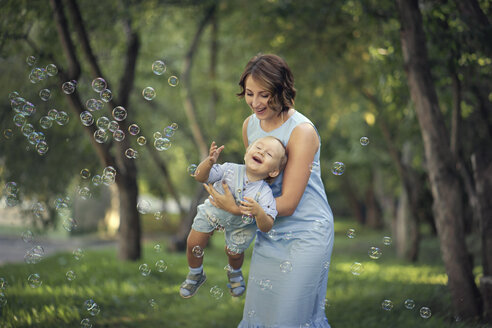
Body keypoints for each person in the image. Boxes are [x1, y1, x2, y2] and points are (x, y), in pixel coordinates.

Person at [203, 54, 335, 327]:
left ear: (282, 91)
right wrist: (222, 205)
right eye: (250, 93)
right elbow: (253, 182)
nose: (256, 103)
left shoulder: (302, 131)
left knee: (291, 319)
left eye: (265, 95)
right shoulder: (249, 125)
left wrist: (235, 209)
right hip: (269, 229)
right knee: (261, 317)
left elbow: (287, 204)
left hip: (306, 233)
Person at [179, 136, 287, 299]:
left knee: (234, 253)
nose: (261, 152)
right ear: (246, 153)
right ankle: (195, 274)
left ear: (273, 171)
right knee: (193, 243)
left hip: (242, 226)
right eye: (258, 147)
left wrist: (259, 212)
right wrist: (208, 163)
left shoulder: (265, 193)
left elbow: (267, 226)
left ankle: (234, 271)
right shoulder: (228, 169)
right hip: (212, 213)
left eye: (269, 154)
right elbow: (200, 177)